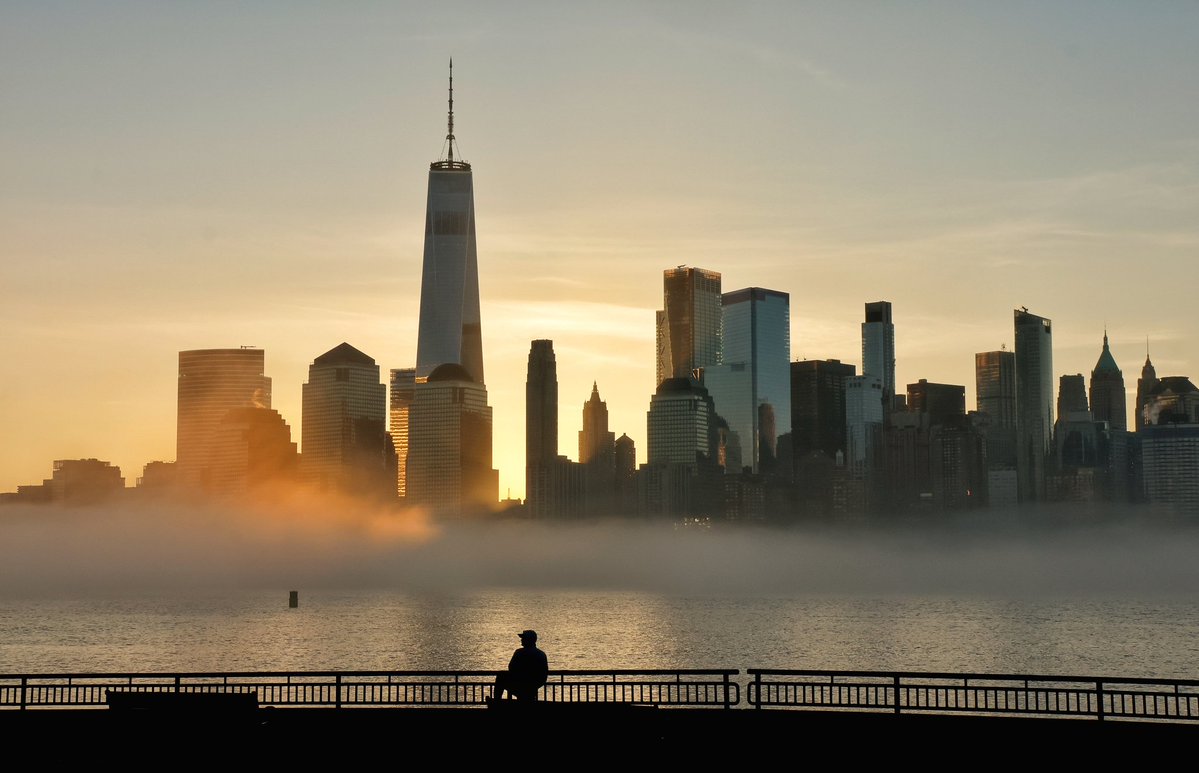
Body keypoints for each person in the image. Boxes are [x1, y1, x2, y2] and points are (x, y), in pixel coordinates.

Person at [489, 629, 549, 703]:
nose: (521, 640)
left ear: (528, 640)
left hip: (520, 685)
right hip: (533, 687)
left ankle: (496, 702)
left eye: (523, 638)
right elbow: (544, 675)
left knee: (500, 677)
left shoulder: (519, 652)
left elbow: (511, 668)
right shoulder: (541, 654)